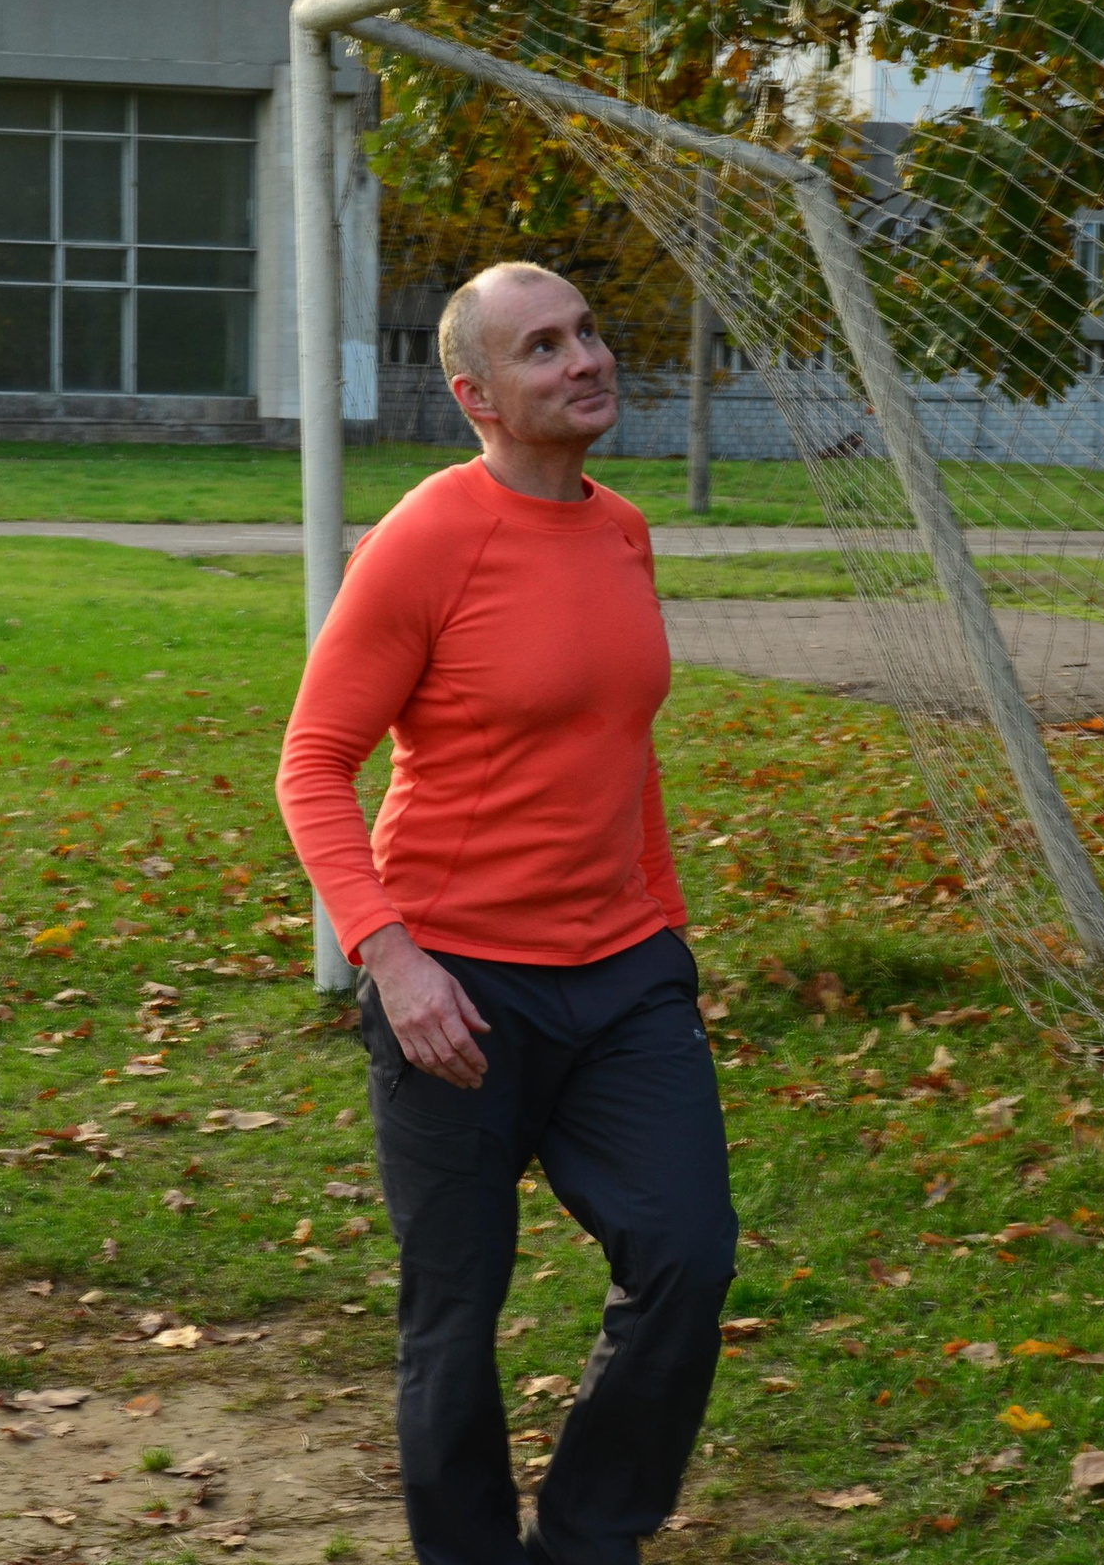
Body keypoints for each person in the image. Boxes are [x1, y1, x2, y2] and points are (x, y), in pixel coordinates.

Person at [277, 263, 736, 1565]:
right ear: (478, 397)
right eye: (545, 347)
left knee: (688, 1257)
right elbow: (314, 763)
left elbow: (624, 746)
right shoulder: (429, 536)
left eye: (590, 330)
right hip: (458, 990)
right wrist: (393, 959)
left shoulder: (626, 528)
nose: (587, 359)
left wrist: (668, 929)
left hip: (625, 978)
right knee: (455, 1316)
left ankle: (589, 1542)